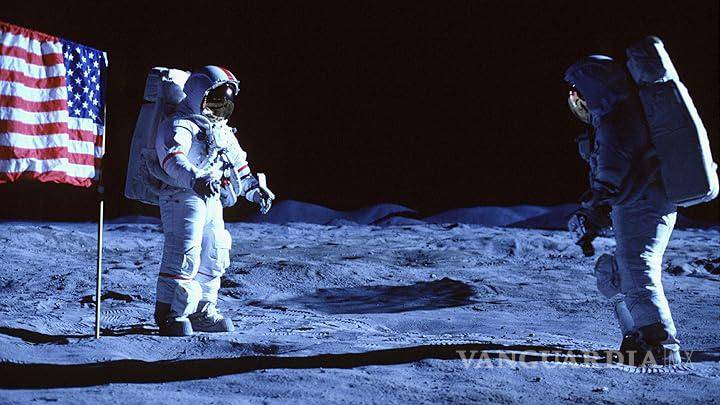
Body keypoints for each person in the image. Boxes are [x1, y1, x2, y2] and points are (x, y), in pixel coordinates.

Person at [564, 55, 680, 366]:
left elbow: (612, 173)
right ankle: (636, 334)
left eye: (580, 90)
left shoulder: (618, 121)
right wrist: (596, 210)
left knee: (637, 269)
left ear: (596, 85)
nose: (577, 99)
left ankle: (661, 345)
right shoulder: (615, 119)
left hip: (645, 203)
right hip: (636, 204)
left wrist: (593, 206)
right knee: (612, 272)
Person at [153, 66, 274, 336]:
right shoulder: (179, 124)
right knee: (185, 251)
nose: (222, 108)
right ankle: (170, 313)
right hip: (183, 195)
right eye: (216, 100)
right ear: (199, 94)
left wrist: (255, 191)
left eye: (226, 102)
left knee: (215, 252)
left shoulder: (222, 131)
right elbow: (172, 159)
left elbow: (240, 170)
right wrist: (195, 178)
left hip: (211, 197)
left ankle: (203, 310)